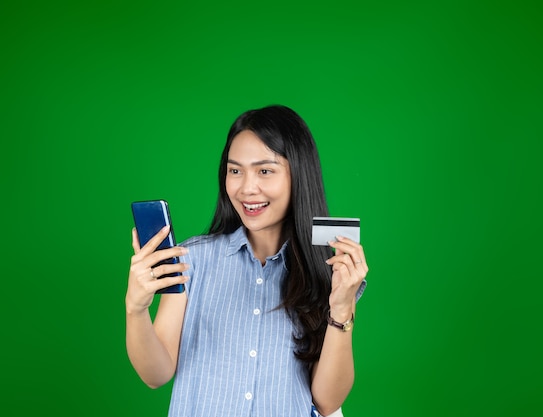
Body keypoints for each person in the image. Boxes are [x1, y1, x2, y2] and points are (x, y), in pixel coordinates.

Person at [125, 104, 368, 417]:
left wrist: (342, 310)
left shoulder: (328, 270)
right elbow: (155, 374)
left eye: (265, 171)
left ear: (298, 176)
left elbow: (327, 401)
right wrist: (136, 309)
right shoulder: (191, 260)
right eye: (235, 170)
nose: (246, 188)